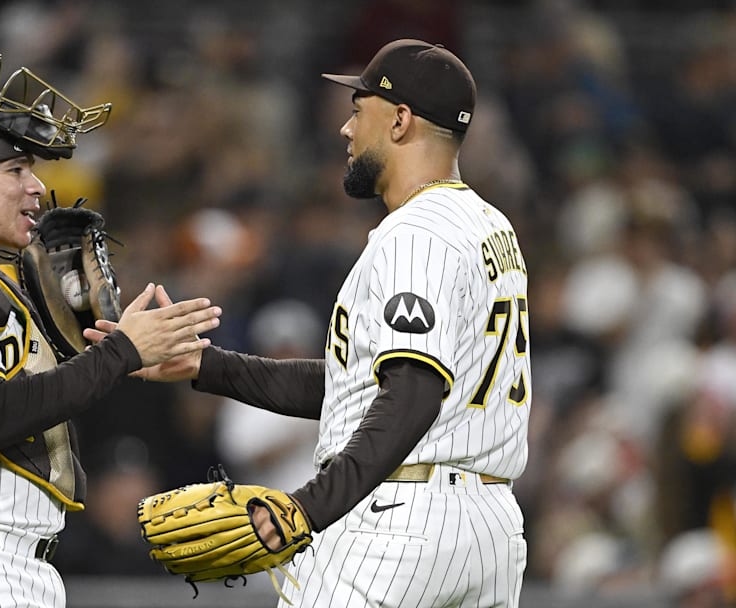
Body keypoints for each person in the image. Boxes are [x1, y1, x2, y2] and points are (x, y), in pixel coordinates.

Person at [89, 39, 530, 607]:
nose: (347, 130)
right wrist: (209, 366)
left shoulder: (415, 235)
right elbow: (361, 384)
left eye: (358, 110)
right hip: (489, 528)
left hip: (402, 519)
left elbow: (413, 393)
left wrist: (308, 507)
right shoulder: (489, 226)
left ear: (399, 121)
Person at [0, 53, 221, 608]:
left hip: (15, 567)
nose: (36, 188)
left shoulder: (3, 286)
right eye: (15, 170)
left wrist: (128, 360)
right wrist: (123, 353)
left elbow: (48, 410)